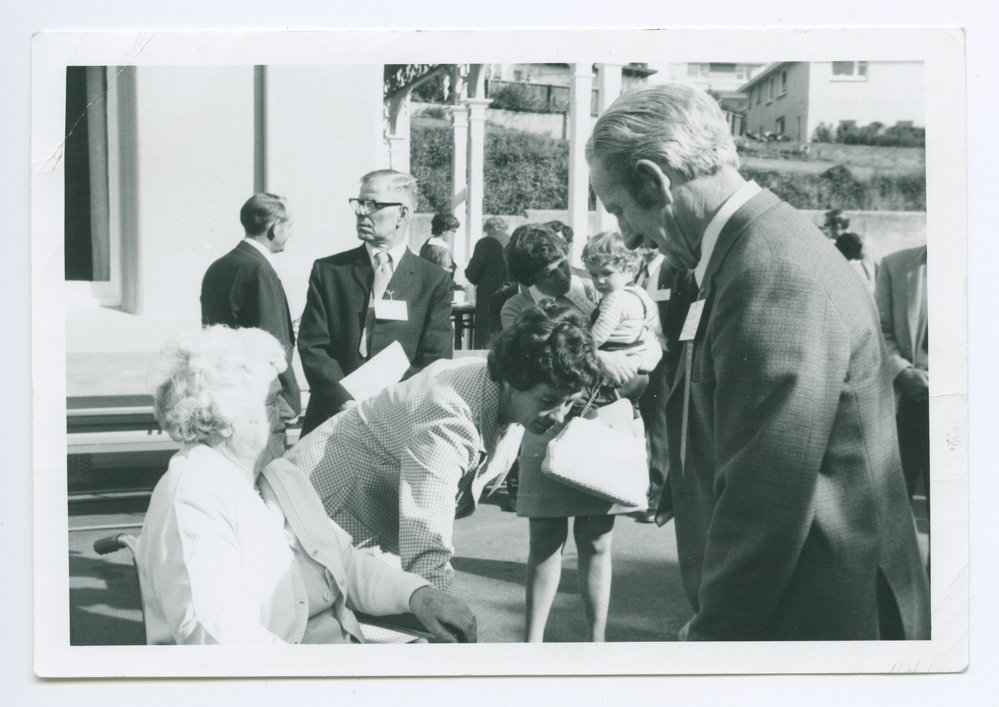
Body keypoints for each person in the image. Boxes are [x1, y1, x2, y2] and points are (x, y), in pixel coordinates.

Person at [587, 83, 930, 640]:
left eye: (620, 209)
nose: (626, 235)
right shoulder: (746, 247)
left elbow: (767, 498)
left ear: (654, 180)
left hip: (820, 612)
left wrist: (712, 637)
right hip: (812, 599)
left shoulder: (768, 271)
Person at [135, 326, 477, 645]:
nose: (289, 413)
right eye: (272, 400)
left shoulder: (279, 475)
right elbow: (218, 639)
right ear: (224, 417)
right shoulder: (192, 496)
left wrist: (418, 594)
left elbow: (344, 561)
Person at [284, 304, 601, 594]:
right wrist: (440, 606)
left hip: (370, 508)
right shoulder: (449, 415)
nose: (559, 417)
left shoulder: (508, 394)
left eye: (569, 403)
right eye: (548, 401)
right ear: (514, 379)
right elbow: (426, 545)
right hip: (325, 500)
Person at [501, 225, 660, 643]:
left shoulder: (599, 287)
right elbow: (536, 362)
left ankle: (597, 642)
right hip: (548, 424)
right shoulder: (515, 310)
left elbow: (645, 336)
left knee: (596, 540)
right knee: (545, 540)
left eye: (560, 264)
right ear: (526, 278)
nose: (560, 276)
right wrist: (600, 359)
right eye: (548, 272)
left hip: (605, 419)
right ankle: (531, 643)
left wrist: (635, 361)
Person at [297, 170, 454, 436]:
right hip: (331, 419)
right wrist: (344, 400)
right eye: (358, 203)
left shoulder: (432, 280)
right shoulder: (330, 271)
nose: (361, 212)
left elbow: (434, 357)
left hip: (398, 423)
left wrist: (385, 407)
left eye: (372, 205)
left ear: (403, 214)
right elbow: (313, 345)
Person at [200, 193, 301, 421]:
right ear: (275, 228)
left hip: (225, 391)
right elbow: (273, 346)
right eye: (289, 226)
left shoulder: (218, 266)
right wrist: (291, 399)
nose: (291, 233)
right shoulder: (260, 270)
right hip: (260, 401)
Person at [874, 244, 929, 512]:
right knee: (896, 512)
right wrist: (901, 371)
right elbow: (879, 329)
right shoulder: (895, 265)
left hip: (967, 409)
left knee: (960, 523)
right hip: (908, 403)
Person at [581, 231, 662, 404]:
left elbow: (595, 339)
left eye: (607, 273)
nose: (600, 281)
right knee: (631, 413)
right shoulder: (639, 293)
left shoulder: (616, 300)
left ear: (629, 268)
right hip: (637, 372)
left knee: (582, 406)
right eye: (594, 275)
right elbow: (652, 323)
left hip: (616, 371)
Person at [464, 216, 510, 347]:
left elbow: (473, 273)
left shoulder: (485, 243)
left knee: (485, 339)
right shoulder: (513, 241)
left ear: (489, 229)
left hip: (488, 297)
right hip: (512, 294)